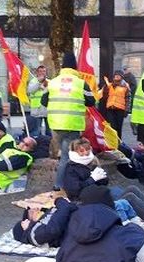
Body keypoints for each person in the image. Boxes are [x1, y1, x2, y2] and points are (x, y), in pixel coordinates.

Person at [63, 138, 144, 233]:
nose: (85, 153)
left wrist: (101, 177)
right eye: (81, 151)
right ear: (75, 153)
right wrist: (92, 179)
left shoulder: (91, 162)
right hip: (84, 202)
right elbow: (74, 191)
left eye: (87, 150)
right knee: (129, 197)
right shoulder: (71, 168)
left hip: (98, 195)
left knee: (132, 189)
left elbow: (103, 184)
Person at [41, 52, 95, 191]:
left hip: (55, 125)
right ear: (75, 67)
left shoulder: (53, 82)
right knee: (68, 156)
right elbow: (91, 102)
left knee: (64, 155)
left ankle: (63, 183)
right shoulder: (81, 83)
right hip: (72, 125)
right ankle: (61, 185)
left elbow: (43, 101)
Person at [12, 197, 77, 248]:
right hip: (77, 226)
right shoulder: (33, 234)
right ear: (23, 230)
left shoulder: (40, 223)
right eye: (23, 222)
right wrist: (62, 203)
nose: (36, 209)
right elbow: (52, 230)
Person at [100, 70, 130, 139]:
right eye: (115, 75)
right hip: (110, 109)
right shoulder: (109, 85)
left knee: (118, 128)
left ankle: (119, 143)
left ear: (122, 77)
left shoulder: (125, 86)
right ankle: (113, 142)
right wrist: (105, 88)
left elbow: (128, 98)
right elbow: (105, 96)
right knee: (112, 127)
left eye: (118, 75)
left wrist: (127, 110)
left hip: (120, 109)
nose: (116, 76)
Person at [27, 65, 50, 137]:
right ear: (37, 73)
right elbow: (30, 90)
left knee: (49, 131)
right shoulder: (33, 81)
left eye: (44, 71)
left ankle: (49, 145)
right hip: (36, 110)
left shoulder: (49, 81)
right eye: (40, 71)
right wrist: (38, 83)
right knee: (36, 131)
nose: (42, 73)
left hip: (47, 109)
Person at [122, 65, 138, 137]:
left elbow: (134, 86)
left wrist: (129, 91)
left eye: (126, 69)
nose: (125, 71)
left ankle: (133, 126)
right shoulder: (124, 77)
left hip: (129, 96)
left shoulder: (131, 77)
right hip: (124, 96)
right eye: (124, 69)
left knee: (130, 111)